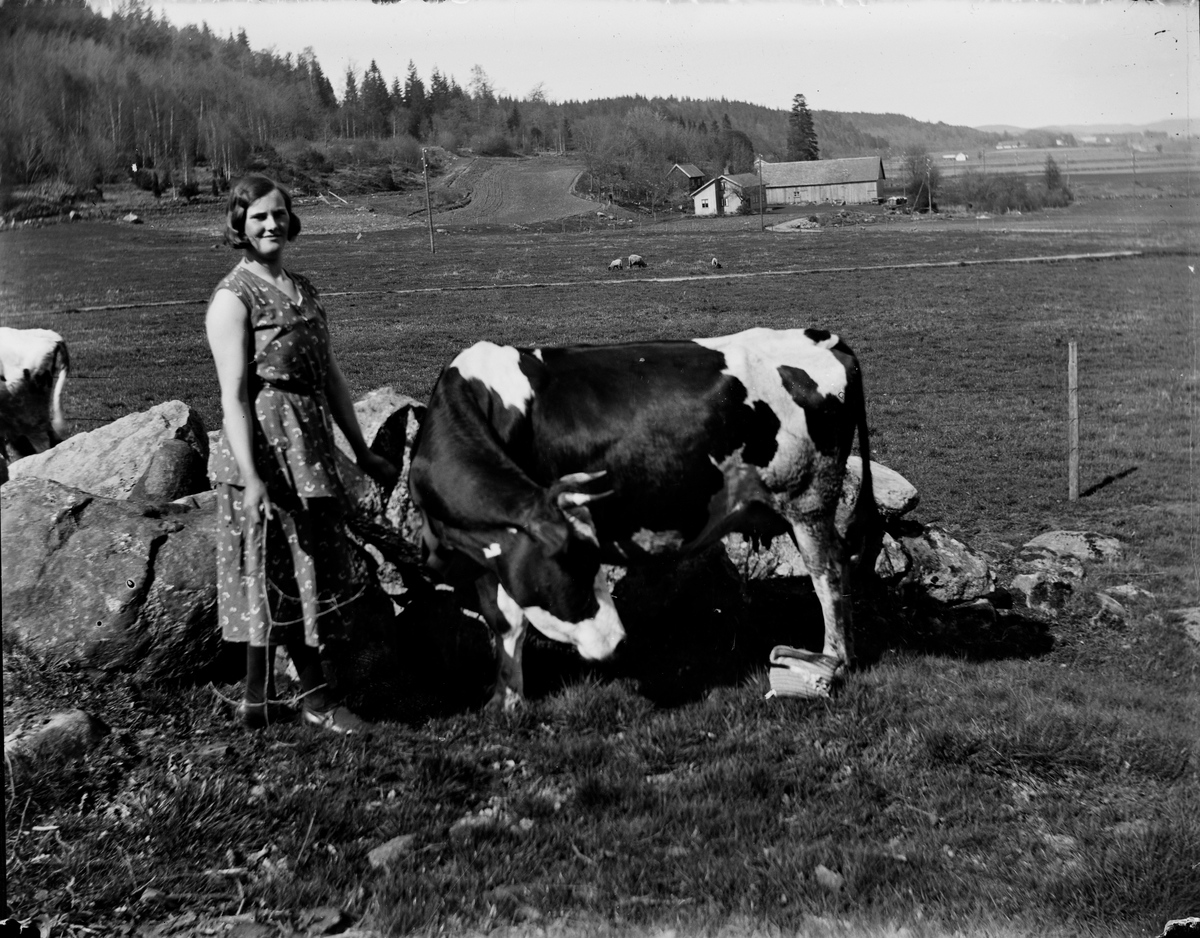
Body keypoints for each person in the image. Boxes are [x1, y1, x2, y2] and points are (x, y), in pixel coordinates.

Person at [206, 174, 398, 735]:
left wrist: (360, 451)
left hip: (308, 444)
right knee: (280, 570)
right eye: (258, 216)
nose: (270, 224)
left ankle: (256, 700)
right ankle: (315, 699)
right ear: (239, 223)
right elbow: (233, 396)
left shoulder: (303, 289)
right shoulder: (232, 298)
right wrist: (252, 476)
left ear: (292, 220)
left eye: (279, 214)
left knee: (299, 567)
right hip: (264, 449)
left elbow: (332, 377)